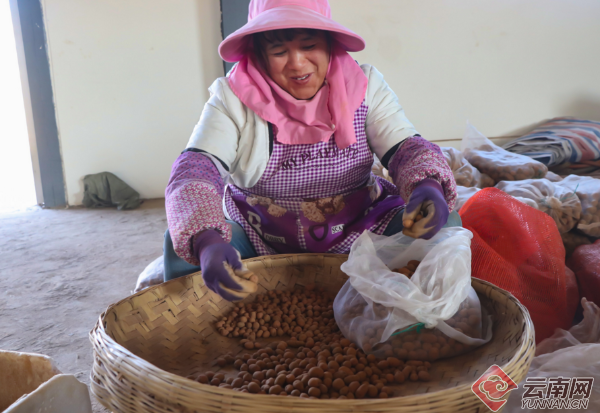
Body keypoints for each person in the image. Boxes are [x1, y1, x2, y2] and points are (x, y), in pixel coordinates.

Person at [164, 0, 459, 301]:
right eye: (279, 51)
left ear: (330, 44)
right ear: (259, 54)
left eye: (309, 45)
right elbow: (196, 168)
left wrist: (427, 185)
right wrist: (208, 241)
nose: (297, 63)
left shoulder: (365, 84)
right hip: (259, 234)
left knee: (444, 224)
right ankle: (188, 326)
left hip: (360, 227)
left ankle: (421, 316)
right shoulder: (232, 97)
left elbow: (405, 147)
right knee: (189, 244)